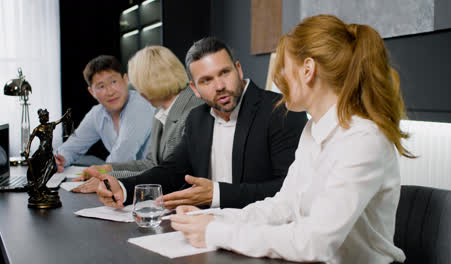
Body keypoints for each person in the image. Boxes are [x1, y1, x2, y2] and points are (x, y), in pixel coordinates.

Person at [169, 15, 414, 263]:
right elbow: (283, 206)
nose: (279, 79)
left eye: (284, 68)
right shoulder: (312, 130)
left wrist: (216, 232)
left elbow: (314, 242)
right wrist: (215, 219)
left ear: (308, 70)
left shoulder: (363, 140)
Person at [87, 37, 308, 209]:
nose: (219, 85)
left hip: (260, 234)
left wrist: (216, 194)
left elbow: (290, 189)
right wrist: (123, 189)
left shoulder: (281, 111)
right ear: (195, 89)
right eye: (206, 80)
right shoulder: (197, 118)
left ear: (238, 70)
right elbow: (171, 171)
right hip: (204, 230)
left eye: (224, 72)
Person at [72, 46, 204, 193]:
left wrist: (112, 179)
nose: (138, 91)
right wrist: (107, 169)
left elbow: (170, 175)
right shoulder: (160, 111)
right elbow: (151, 164)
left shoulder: (193, 111)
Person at [55, 55, 154, 172]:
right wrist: (61, 159)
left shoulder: (140, 105)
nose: (110, 92)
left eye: (113, 82)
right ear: (92, 92)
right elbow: (72, 146)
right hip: (127, 180)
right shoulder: (97, 113)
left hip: (157, 183)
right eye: (101, 86)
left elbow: (122, 156)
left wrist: (98, 174)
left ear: (126, 79)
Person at [23, 108, 71, 204]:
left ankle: (42, 186)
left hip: (49, 152)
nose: (44, 118)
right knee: (41, 170)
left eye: (46, 116)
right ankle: (40, 187)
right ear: (40, 118)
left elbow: (60, 120)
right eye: (42, 116)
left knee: (52, 168)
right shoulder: (38, 129)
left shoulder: (50, 126)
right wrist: (27, 150)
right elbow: (30, 140)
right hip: (42, 152)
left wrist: (66, 114)